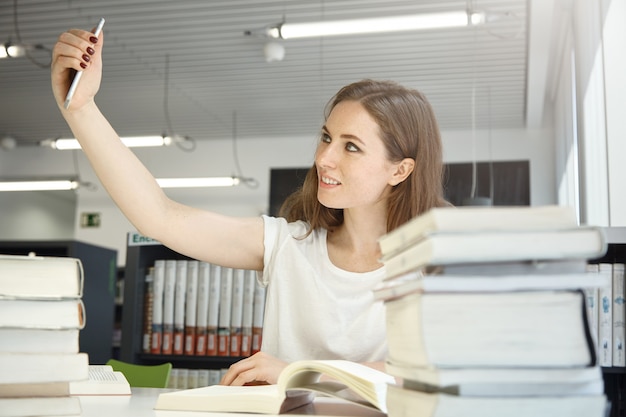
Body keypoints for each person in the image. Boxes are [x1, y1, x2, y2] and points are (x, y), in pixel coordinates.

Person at [51, 26, 449, 386]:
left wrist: (298, 373)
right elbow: (159, 216)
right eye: (326, 138)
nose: (324, 158)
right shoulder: (287, 246)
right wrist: (81, 108)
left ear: (400, 170)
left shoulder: (439, 264)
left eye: (351, 146)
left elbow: (424, 376)